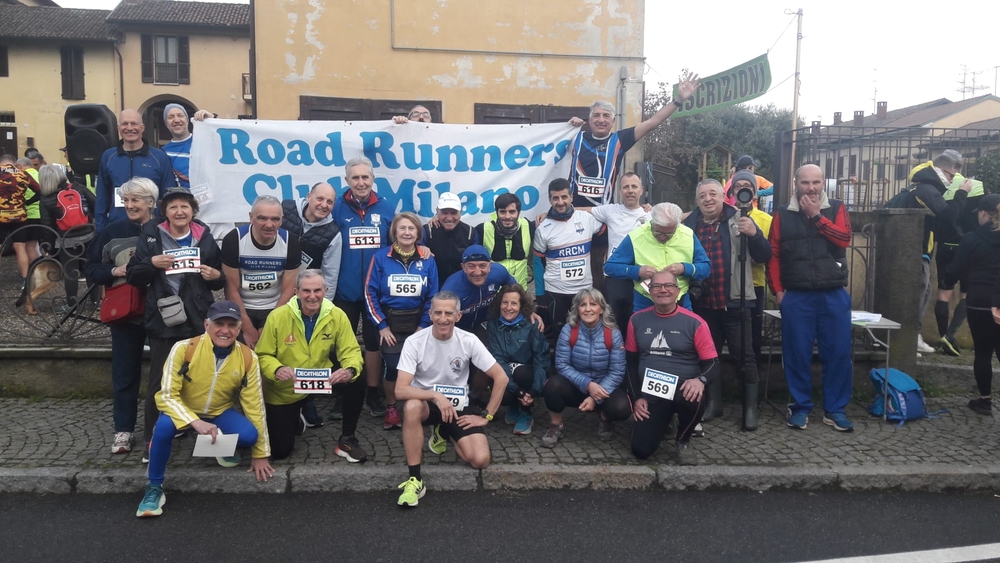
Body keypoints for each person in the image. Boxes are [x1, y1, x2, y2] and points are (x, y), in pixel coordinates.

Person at [135, 301, 274, 517]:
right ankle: (154, 487)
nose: (225, 330)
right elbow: (166, 395)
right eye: (219, 323)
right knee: (162, 429)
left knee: (249, 436)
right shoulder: (183, 348)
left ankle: (219, 449)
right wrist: (194, 421)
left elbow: (255, 405)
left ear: (239, 329)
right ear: (206, 324)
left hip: (218, 412)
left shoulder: (248, 357)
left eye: (232, 325)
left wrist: (261, 454)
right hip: (184, 410)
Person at [127, 187, 225, 459]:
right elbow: (134, 275)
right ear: (165, 211)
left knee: (199, 379)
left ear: (193, 210)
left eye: (185, 206)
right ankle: (151, 441)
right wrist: (152, 263)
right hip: (164, 317)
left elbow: (219, 278)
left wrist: (214, 275)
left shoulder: (203, 235)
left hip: (197, 316)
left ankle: (197, 433)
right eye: (173, 207)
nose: (180, 211)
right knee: (159, 381)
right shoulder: (151, 234)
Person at [394, 291, 508, 507]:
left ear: (458, 316)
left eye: (448, 313)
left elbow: (500, 377)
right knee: (411, 407)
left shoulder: (469, 340)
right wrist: (435, 396)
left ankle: (443, 430)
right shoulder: (415, 342)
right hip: (426, 404)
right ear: (430, 314)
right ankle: (415, 479)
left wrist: (487, 416)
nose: (443, 318)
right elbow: (400, 390)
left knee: (480, 460)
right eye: (437, 312)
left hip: (457, 407)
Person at [767, 164, 854, 432]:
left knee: (838, 353)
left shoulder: (837, 207)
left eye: (816, 182)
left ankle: (835, 409)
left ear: (823, 183)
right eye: (805, 183)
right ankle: (800, 407)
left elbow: (844, 240)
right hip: (797, 296)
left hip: (833, 293)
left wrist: (817, 217)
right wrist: (779, 292)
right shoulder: (782, 213)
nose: (811, 188)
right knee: (797, 353)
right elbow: (773, 254)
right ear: (796, 183)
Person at [681, 176, 770, 431]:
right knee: (708, 357)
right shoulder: (690, 224)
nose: (708, 199)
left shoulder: (740, 219)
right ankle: (714, 403)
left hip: (736, 302)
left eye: (713, 194)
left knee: (746, 358)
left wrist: (754, 235)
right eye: (702, 196)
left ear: (723, 196)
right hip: (703, 305)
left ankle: (750, 410)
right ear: (697, 201)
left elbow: (764, 255)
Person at [255, 269, 368, 462]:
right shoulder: (277, 316)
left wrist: (349, 370)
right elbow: (263, 354)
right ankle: (296, 418)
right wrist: (276, 369)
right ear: (296, 292)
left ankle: (347, 439)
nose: (312, 296)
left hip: (322, 378)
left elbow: (351, 351)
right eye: (306, 291)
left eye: (317, 290)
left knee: (358, 377)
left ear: (325, 290)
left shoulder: (337, 315)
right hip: (287, 385)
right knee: (280, 451)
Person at [84, 177, 157, 454]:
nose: (129, 205)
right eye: (125, 200)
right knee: (125, 375)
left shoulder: (164, 229)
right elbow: (90, 269)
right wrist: (114, 271)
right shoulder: (111, 232)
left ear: (151, 202)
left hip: (160, 312)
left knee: (165, 375)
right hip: (125, 314)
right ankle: (123, 430)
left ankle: (166, 426)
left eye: (135, 200)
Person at [566, 72, 700, 208]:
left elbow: (653, 122)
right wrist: (567, 127)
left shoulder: (619, 139)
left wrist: (678, 100)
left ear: (613, 121)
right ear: (589, 120)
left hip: (603, 213)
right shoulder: (576, 137)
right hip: (574, 210)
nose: (601, 120)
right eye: (596, 115)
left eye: (606, 116)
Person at [625, 270, 719, 463]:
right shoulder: (636, 320)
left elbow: (713, 364)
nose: (663, 290)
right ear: (650, 291)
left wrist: (700, 380)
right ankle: (664, 420)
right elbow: (631, 363)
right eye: (657, 286)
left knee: (694, 396)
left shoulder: (695, 323)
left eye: (669, 286)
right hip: (652, 394)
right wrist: (637, 398)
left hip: (684, 391)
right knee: (641, 450)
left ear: (678, 291)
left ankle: (683, 440)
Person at [332, 156, 396, 418]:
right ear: (347, 181)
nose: (361, 182)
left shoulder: (386, 207)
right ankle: (342, 393)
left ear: (373, 180)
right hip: (344, 290)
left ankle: (373, 393)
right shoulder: (336, 207)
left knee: (372, 342)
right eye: (355, 178)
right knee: (340, 343)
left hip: (374, 292)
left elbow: (404, 237)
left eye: (365, 177)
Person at [365, 212, 439, 430]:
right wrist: (381, 325)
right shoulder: (380, 257)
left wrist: (423, 326)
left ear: (418, 233)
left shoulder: (427, 259)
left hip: (419, 323)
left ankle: (418, 407)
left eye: (411, 228)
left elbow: (433, 296)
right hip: (390, 323)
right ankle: (391, 406)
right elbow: (370, 293)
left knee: (422, 367)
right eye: (402, 228)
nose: (407, 232)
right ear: (394, 232)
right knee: (393, 368)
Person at [540, 287, 629, 447]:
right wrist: (588, 384)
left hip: (604, 388)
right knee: (552, 385)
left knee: (622, 407)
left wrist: (596, 395)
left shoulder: (613, 333)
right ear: (577, 309)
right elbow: (562, 365)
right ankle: (556, 425)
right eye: (583, 305)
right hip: (576, 386)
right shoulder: (569, 330)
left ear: (601, 309)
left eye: (593, 304)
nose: (588, 309)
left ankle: (604, 417)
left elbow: (617, 372)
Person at [902, 150, 971, 354]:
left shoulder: (927, 188)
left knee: (924, 293)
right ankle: (908, 339)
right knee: (917, 295)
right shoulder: (927, 189)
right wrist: (962, 192)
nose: (952, 180)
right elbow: (948, 216)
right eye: (951, 175)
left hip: (921, 249)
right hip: (914, 249)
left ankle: (913, 335)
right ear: (941, 170)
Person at [942, 194, 1000, 416]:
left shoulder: (972, 239)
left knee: (983, 352)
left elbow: (955, 268)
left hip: (980, 301)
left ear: (983, 213)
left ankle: (985, 401)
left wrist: (947, 281)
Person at [221, 195, 301, 349]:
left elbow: (288, 291)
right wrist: (247, 328)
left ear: (282, 220)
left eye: (275, 219)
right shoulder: (234, 239)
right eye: (262, 218)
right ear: (251, 217)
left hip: (275, 306)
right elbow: (231, 289)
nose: (269, 225)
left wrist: (271, 325)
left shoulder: (290, 242)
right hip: (242, 307)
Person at [605, 202, 710, 312]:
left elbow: (706, 268)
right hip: (645, 301)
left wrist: (684, 268)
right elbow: (610, 267)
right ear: (652, 222)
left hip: (680, 300)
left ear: (677, 226)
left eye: (669, 234)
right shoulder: (636, 236)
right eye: (658, 232)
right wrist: (637, 271)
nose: (662, 237)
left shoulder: (688, 235)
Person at [533, 178, 606, 334]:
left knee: (586, 332)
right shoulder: (543, 228)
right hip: (556, 291)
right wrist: (540, 295)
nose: (560, 202)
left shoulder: (587, 219)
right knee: (562, 334)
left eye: (564, 197)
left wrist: (641, 209)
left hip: (583, 290)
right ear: (549, 200)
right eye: (555, 198)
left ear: (571, 197)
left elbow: (613, 223)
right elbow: (538, 261)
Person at [95, 109, 176, 231]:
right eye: (124, 124)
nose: (129, 128)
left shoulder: (159, 157)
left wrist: (167, 225)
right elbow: (102, 197)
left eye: (134, 124)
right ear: (118, 128)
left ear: (142, 127)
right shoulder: (108, 157)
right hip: (117, 226)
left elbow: (169, 195)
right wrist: (101, 230)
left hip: (153, 227)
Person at [486, 284, 550, 435]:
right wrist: (518, 392)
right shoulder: (493, 325)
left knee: (522, 372)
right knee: (501, 386)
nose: (509, 307)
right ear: (499, 304)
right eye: (505, 302)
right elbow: (498, 359)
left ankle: (526, 411)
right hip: (505, 376)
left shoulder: (532, 325)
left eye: (514, 303)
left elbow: (541, 359)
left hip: (526, 377)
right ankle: (513, 403)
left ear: (522, 306)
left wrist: (533, 391)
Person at [588, 172, 651, 325]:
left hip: (640, 278)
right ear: (620, 191)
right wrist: (550, 213)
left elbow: (677, 216)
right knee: (612, 324)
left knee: (636, 324)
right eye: (626, 187)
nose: (630, 190)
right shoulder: (610, 210)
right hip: (614, 278)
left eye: (634, 186)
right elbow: (583, 210)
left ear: (641, 190)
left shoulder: (651, 214)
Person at [36, 163, 96, 312]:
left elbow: (47, 226)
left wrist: (48, 246)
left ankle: (71, 305)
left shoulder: (46, 199)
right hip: (88, 235)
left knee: (71, 271)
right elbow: (95, 203)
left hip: (65, 240)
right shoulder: (77, 187)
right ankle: (96, 302)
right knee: (91, 267)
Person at [934, 172, 981, 356]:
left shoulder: (944, 194)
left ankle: (943, 337)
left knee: (943, 294)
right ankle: (950, 335)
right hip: (967, 249)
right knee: (966, 294)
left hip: (945, 248)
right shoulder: (977, 196)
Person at [281, 182, 342, 299]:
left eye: (329, 202)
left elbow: (330, 276)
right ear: (309, 197)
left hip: (304, 295)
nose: (324, 205)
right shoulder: (285, 209)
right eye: (320, 199)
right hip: (273, 288)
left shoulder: (333, 234)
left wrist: (324, 308)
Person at [474, 192, 536, 289]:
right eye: (503, 212)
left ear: (518, 212)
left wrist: (546, 214)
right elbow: (463, 233)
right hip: (493, 293)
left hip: (519, 291)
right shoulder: (483, 229)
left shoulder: (529, 226)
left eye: (512, 212)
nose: (507, 217)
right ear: (497, 212)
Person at [422, 192, 479, 283]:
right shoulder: (427, 231)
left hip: (461, 287)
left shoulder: (470, 233)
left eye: (453, 213)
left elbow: (476, 262)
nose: (449, 218)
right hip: (432, 286)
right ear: (437, 211)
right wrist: (420, 247)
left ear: (460, 212)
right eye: (444, 213)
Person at [0, 154, 36, 288]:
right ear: (14, 163)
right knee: (20, 247)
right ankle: (25, 280)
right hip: (19, 216)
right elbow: (38, 190)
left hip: (1, 216)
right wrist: (25, 201)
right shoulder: (22, 174)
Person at [161, 103, 214, 189]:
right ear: (166, 124)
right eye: (171, 117)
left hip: (212, 198)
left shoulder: (204, 141)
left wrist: (211, 120)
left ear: (187, 120)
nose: (176, 120)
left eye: (180, 115)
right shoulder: (164, 153)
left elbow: (223, 142)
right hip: (184, 200)